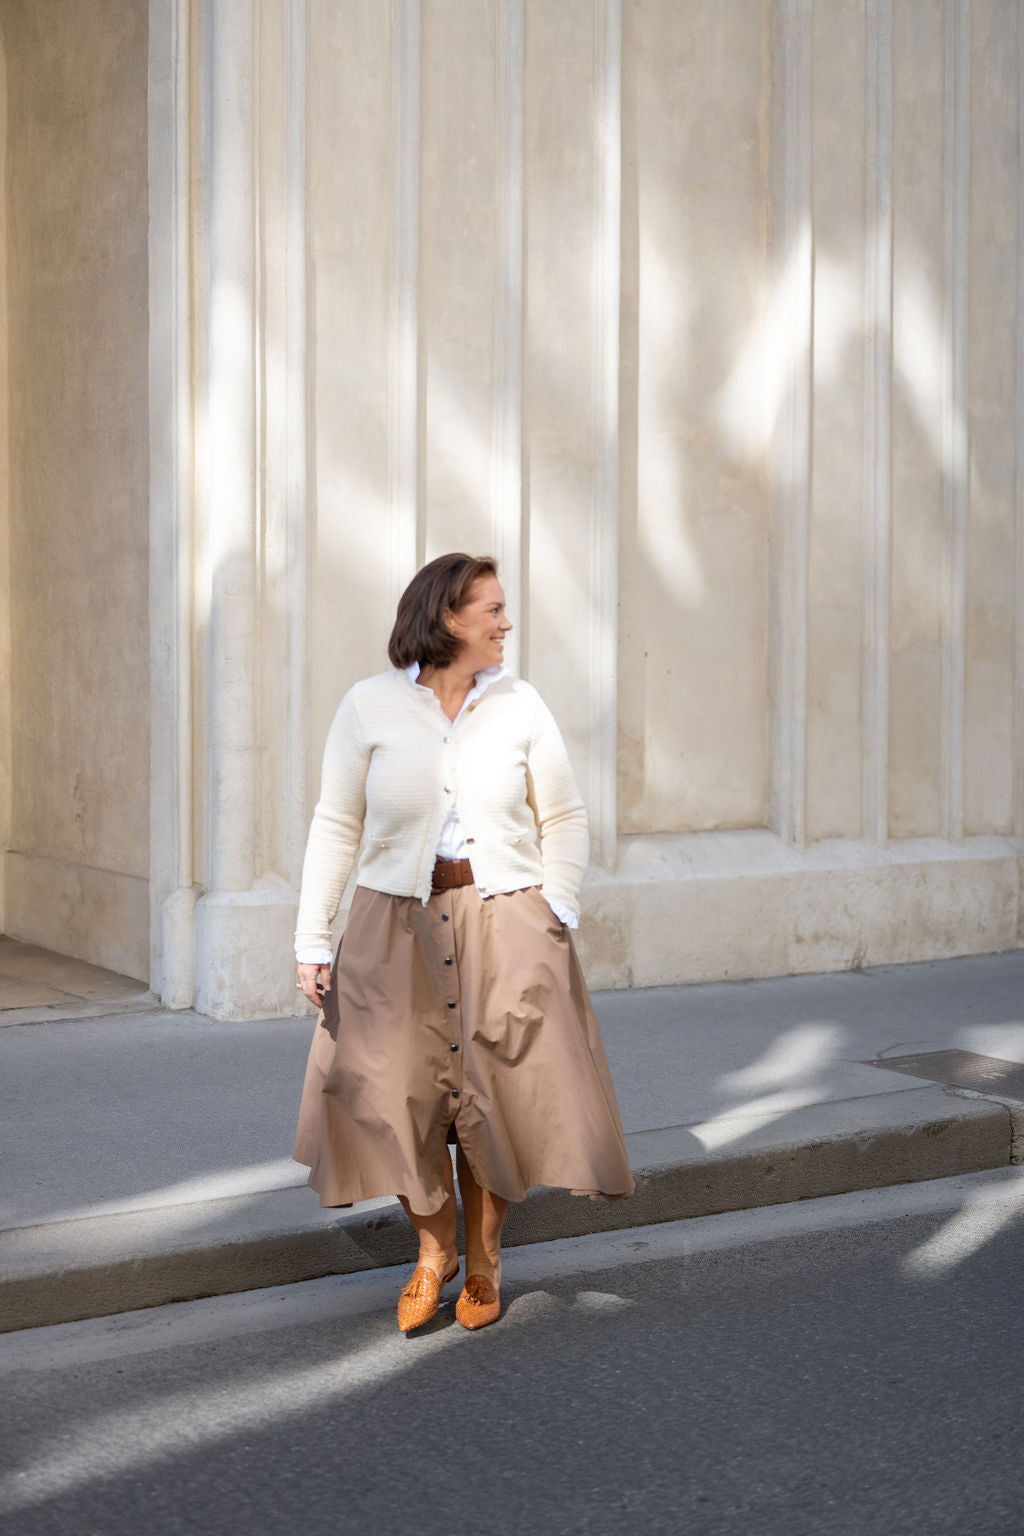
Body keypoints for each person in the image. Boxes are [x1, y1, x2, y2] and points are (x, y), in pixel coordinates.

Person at [292, 552, 634, 1332]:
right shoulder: (368, 707)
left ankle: (483, 1263)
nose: (506, 623)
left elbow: (566, 817)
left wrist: (556, 910)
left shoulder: (519, 705)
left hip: (505, 915)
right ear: (449, 617)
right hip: (392, 922)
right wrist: (313, 937)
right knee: (395, 1097)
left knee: (495, 1094)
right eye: (493, 609)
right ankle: (431, 1255)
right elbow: (336, 825)